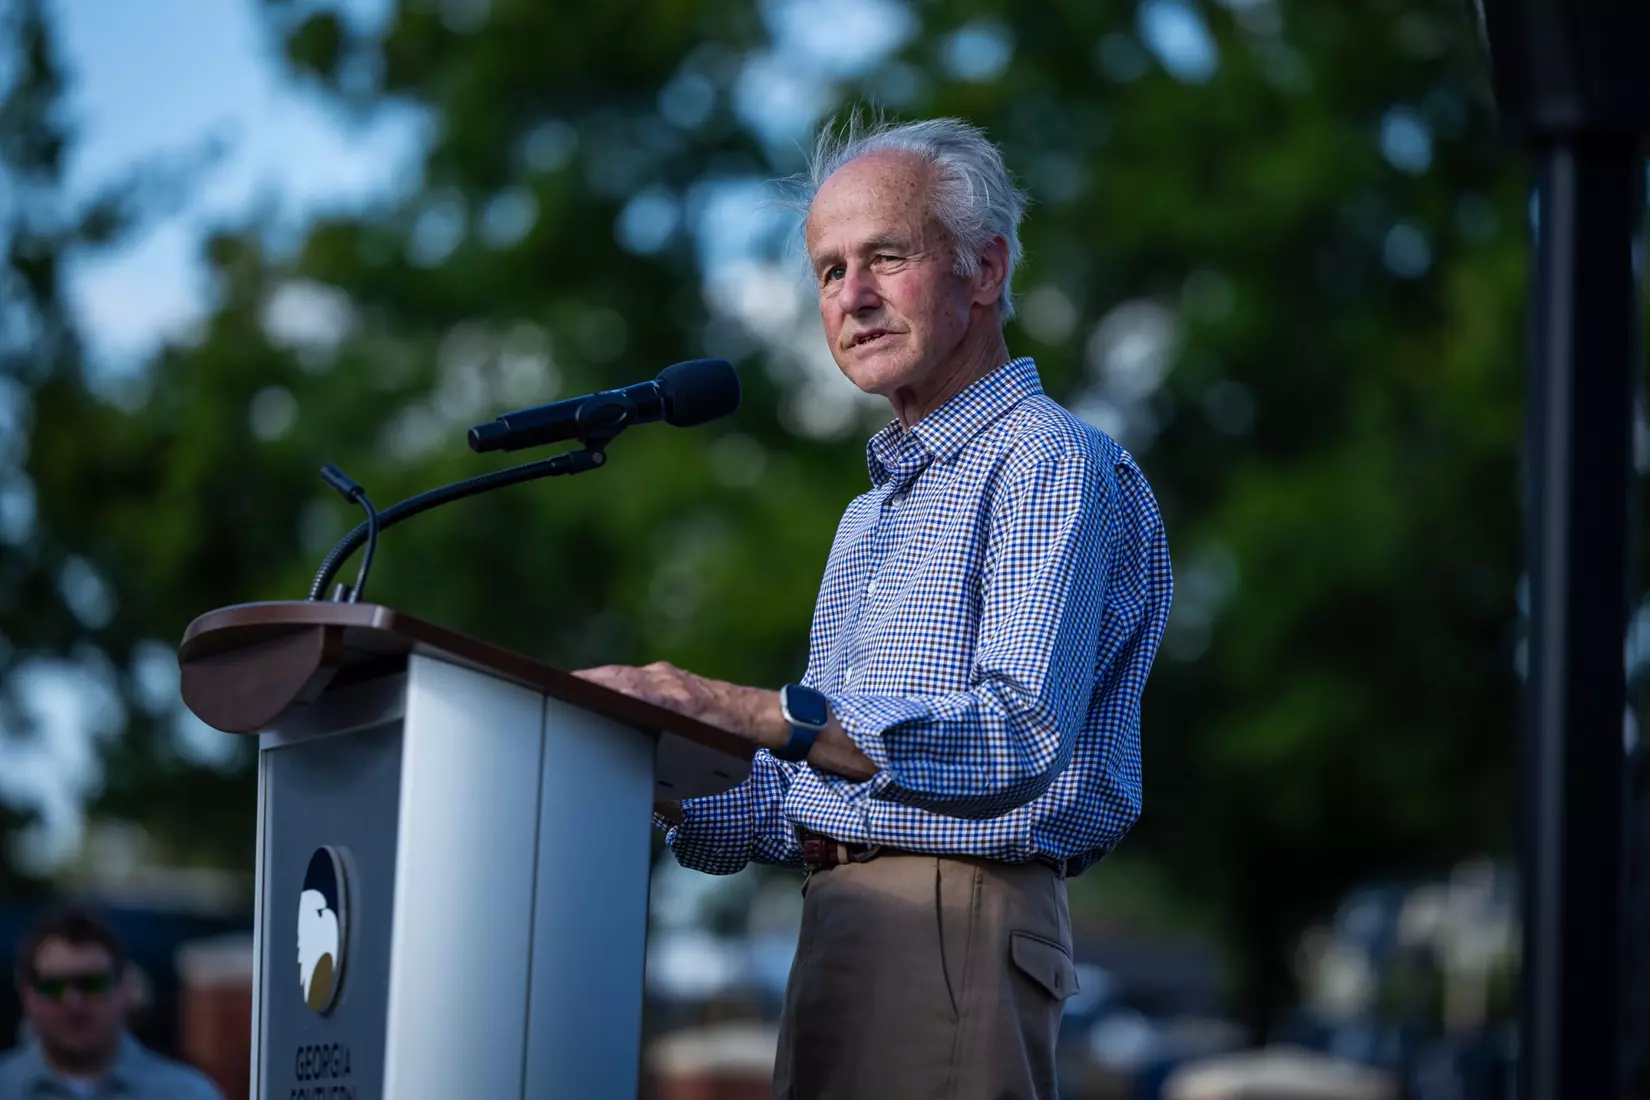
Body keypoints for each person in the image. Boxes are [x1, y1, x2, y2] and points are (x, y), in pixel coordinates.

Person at [576, 114, 1173, 1100]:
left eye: (885, 258)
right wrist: (640, 756)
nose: (850, 296)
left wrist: (753, 709)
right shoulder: (869, 515)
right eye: (826, 270)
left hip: (953, 921)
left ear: (983, 271)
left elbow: (1017, 737)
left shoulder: (1047, 460)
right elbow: (812, 787)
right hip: (837, 915)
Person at [0, 905, 223, 1100]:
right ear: (27, 993)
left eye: (92, 984)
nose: (74, 1002)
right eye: (54, 986)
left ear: (125, 988)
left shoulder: (188, 1094)